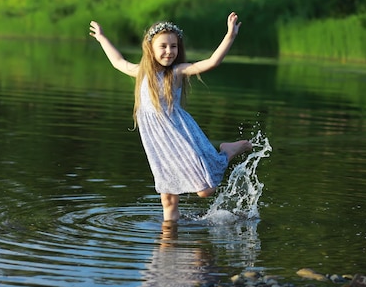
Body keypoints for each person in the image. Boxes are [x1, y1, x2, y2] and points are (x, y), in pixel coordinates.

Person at [89, 12, 252, 221]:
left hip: (179, 133)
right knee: (168, 199)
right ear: (151, 49)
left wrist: (230, 35)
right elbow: (118, 61)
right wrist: (102, 37)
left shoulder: (176, 72)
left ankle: (227, 152)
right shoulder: (141, 73)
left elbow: (211, 62)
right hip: (157, 143)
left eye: (173, 46)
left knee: (206, 190)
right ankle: (168, 244)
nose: (169, 51)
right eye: (163, 46)